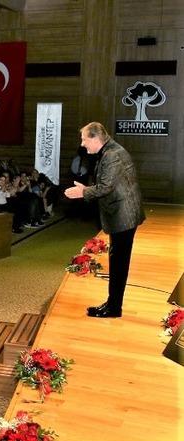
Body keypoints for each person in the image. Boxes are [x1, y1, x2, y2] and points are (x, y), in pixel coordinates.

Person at [65, 122, 145, 318]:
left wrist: (82, 193)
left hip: (123, 215)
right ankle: (112, 303)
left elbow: (105, 187)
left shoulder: (112, 155)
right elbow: (107, 183)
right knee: (117, 261)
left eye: (84, 139)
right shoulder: (110, 151)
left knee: (119, 263)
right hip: (122, 213)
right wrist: (86, 189)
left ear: (95, 138)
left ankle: (114, 308)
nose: (83, 144)